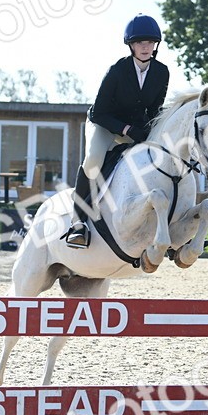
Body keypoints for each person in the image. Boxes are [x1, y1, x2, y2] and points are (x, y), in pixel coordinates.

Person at [65, 14, 170, 248]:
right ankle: (78, 223)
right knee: (93, 161)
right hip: (104, 123)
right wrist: (127, 129)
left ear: (156, 45)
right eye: (140, 42)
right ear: (131, 45)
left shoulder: (161, 72)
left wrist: (150, 132)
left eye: (150, 43)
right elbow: (101, 112)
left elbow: (155, 109)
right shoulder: (117, 71)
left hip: (134, 127)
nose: (146, 47)